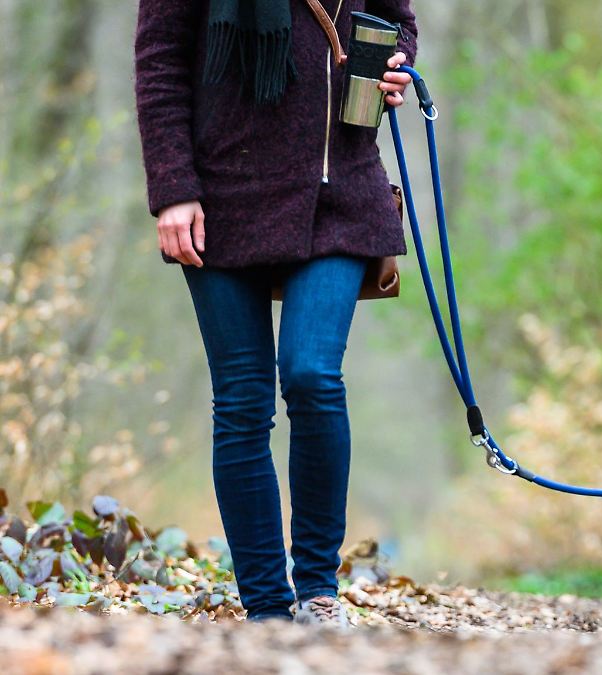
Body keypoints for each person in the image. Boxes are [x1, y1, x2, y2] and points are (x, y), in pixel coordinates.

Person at [133, 0, 419, 626]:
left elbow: (396, 21)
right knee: (242, 399)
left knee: (313, 376)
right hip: (220, 197)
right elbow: (159, 65)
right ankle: (266, 609)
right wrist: (173, 189)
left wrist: (398, 67)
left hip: (337, 193)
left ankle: (317, 591)